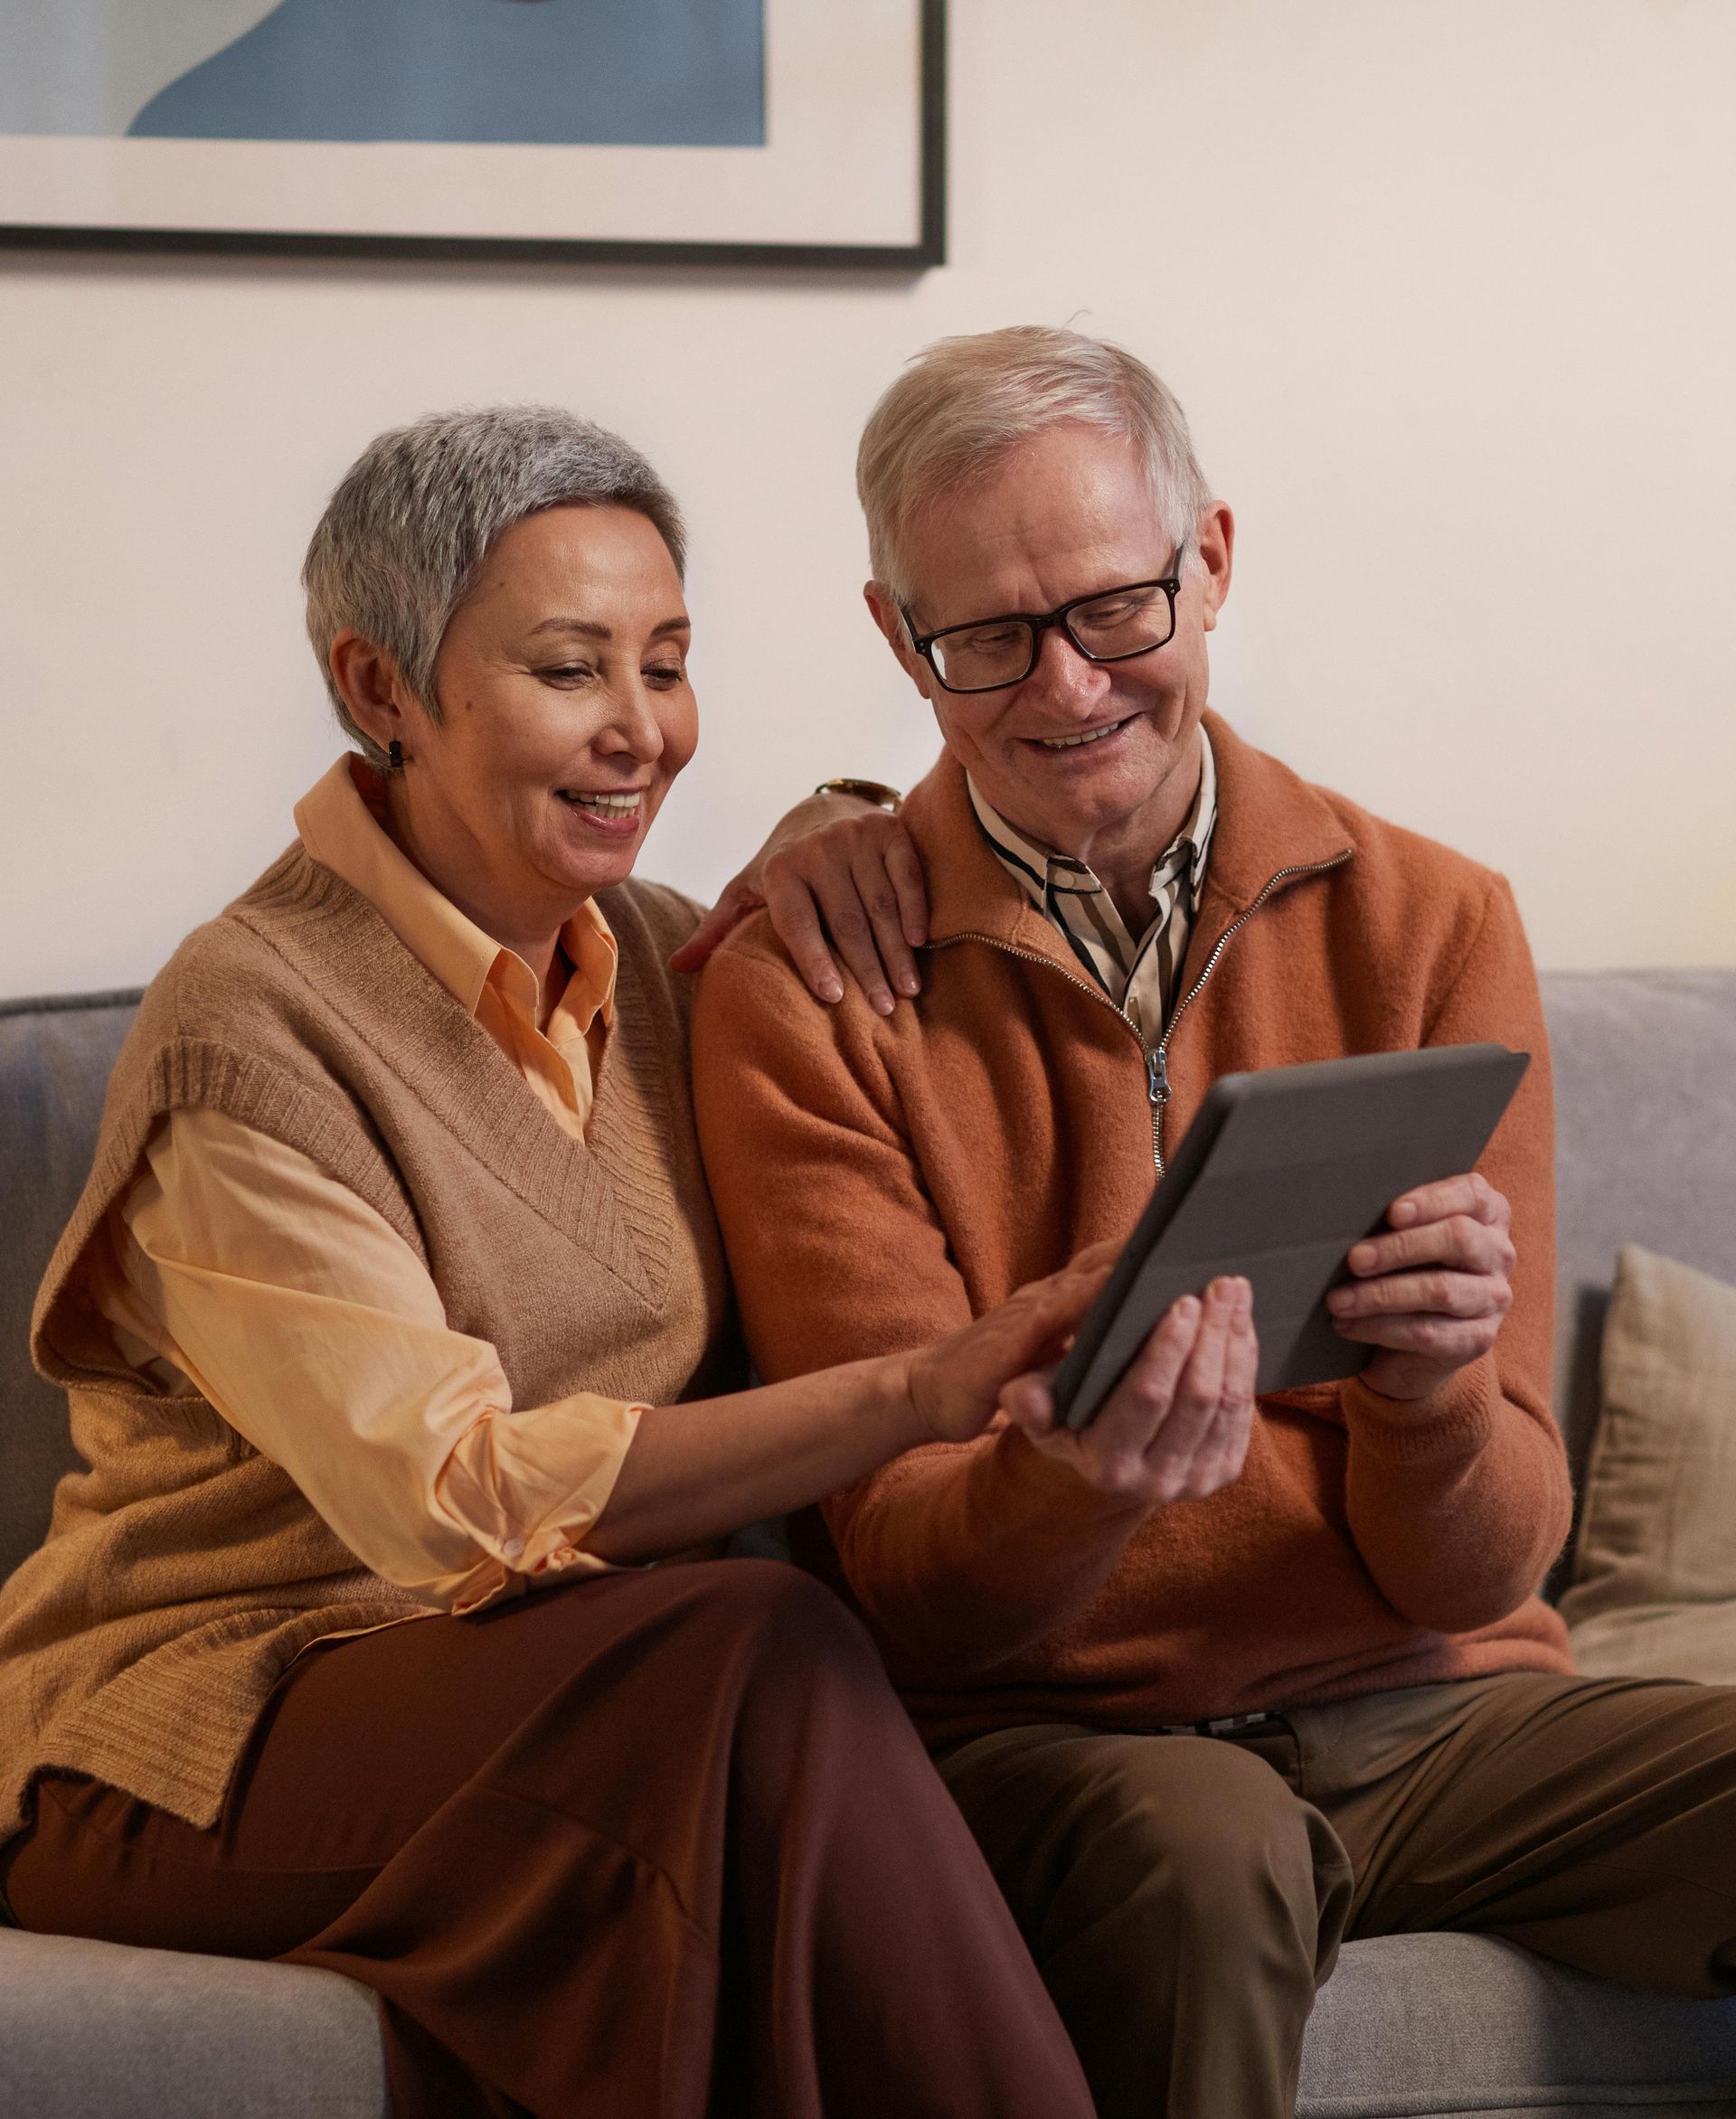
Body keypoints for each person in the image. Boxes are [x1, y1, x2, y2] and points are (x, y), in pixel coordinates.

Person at [0, 405, 1105, 2119]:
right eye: (570, 670)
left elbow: (865, 876)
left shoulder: (668, 960)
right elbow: (451, 1498)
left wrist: (855, 815)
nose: (643, 733)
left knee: (752, 1709)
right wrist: (916, 1391)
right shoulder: (250, 1033)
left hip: (577, 1693)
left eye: (667, 664)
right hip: (189, 1728)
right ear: (381, 693)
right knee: (757, 1650)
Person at [693, 325, 1736, 2119]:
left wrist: (1428, 1394)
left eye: (1115, 609)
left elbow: (1491, 1568)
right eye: (987, 638)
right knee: (1201, 1859)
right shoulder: (806, 992)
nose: (1067, 685)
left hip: (1433, 1713)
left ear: (1214, 563)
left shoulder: (1434, 919)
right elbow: (917, 1589)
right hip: (1057, 1747)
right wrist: (1080, 1477)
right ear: (896, 638)